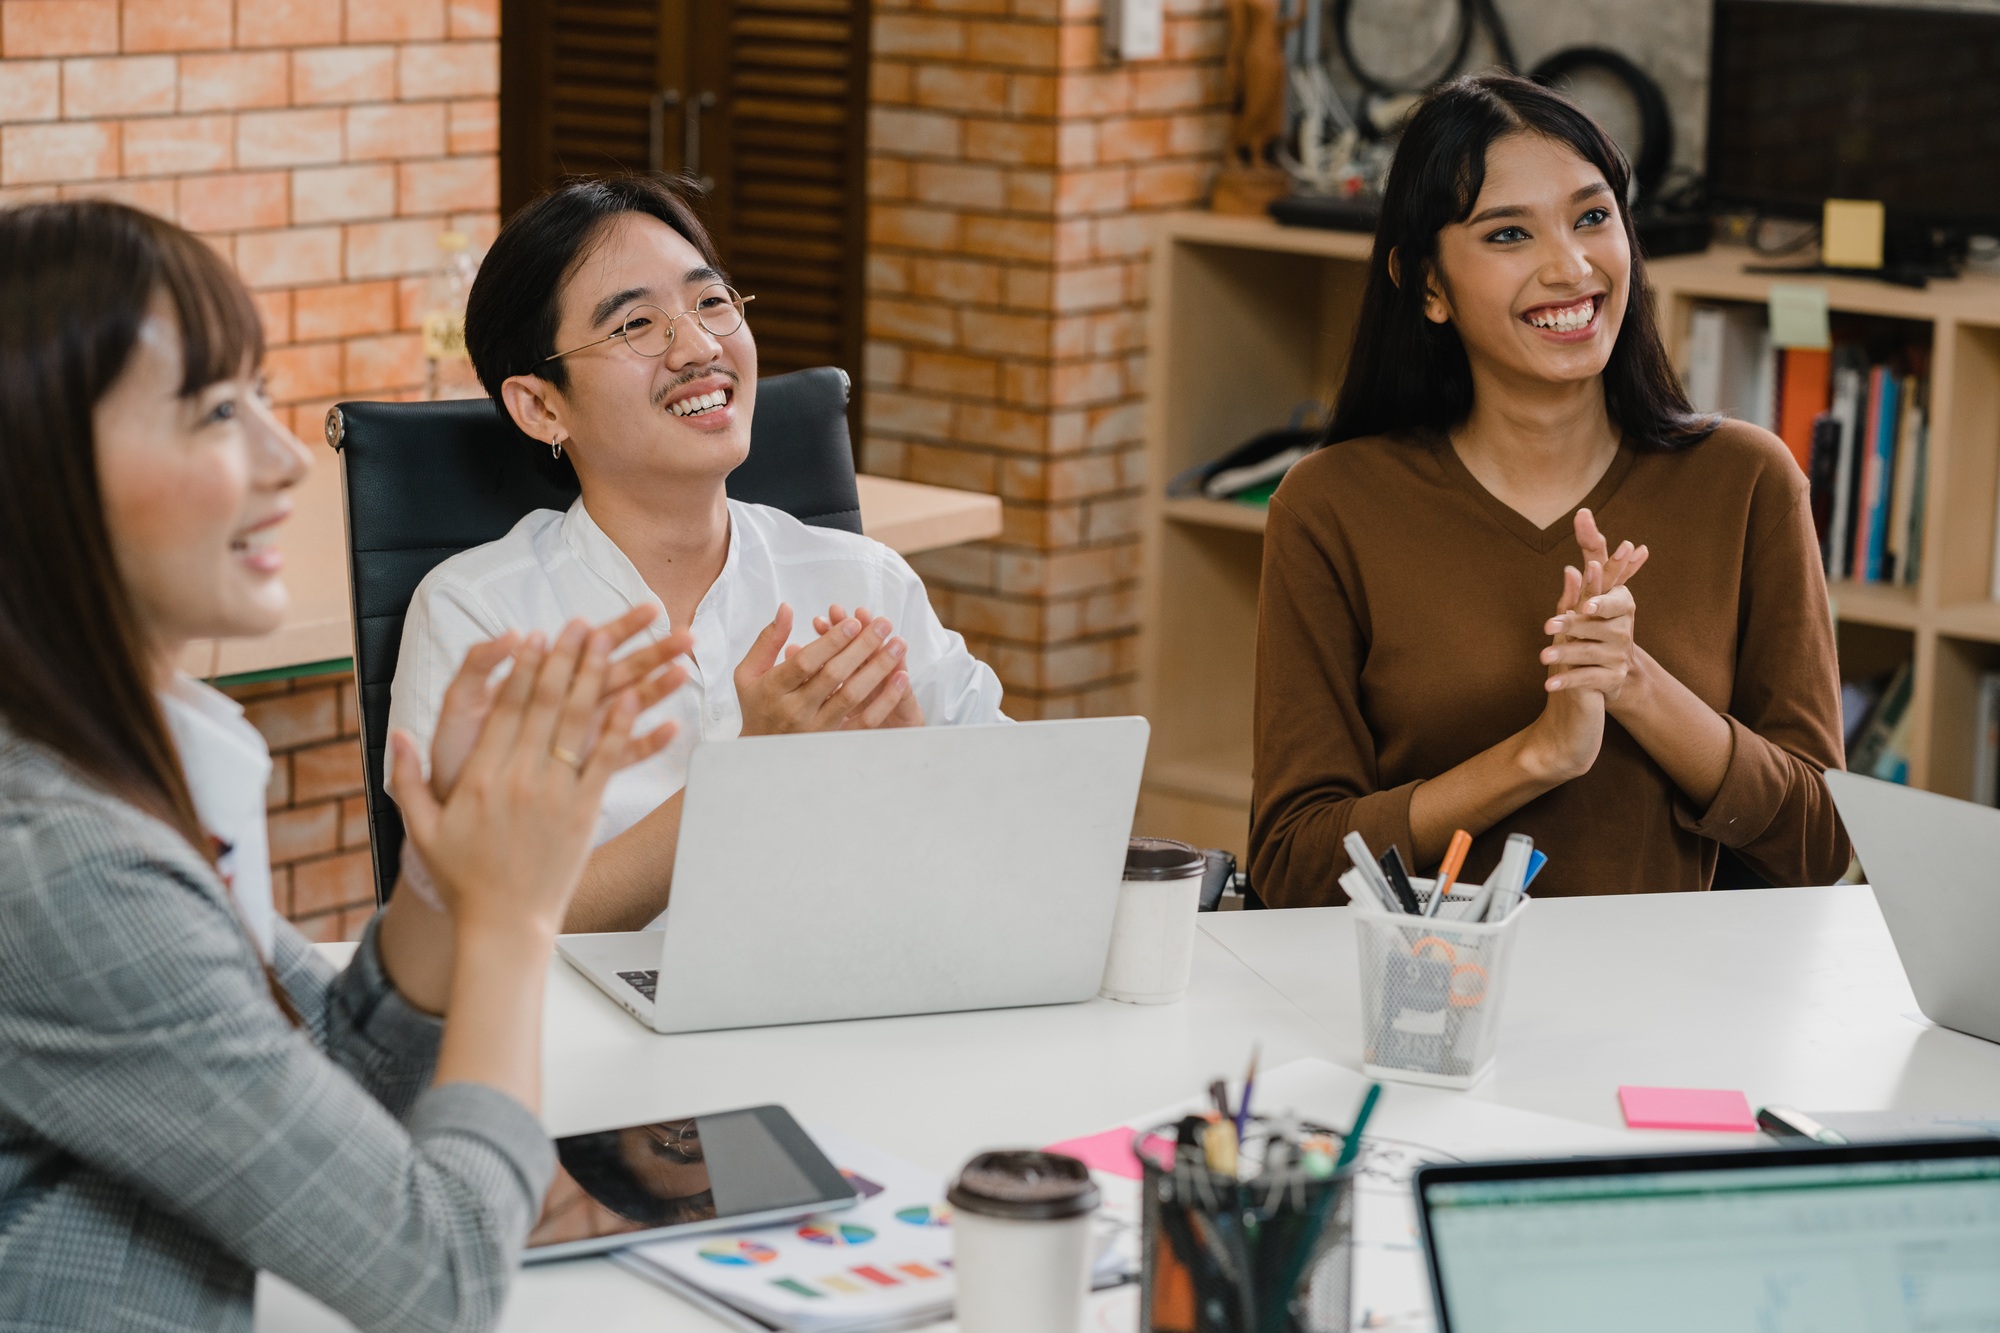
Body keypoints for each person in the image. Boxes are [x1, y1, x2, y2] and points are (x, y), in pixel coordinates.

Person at [0, 200, 693, 1332]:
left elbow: (313, 1063)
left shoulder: (116, 758)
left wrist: (444, 881)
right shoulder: (60, 859)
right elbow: (441, 1276)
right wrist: (513, 917)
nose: (283, 462)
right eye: (215, 412)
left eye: (260, 398)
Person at [1250, 75, 1850, 907]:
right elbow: (1292, 867)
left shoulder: (1747, 480)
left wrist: (1635, 683)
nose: (1571, 268)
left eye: (1593, 216)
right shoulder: (1330, 506)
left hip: (1677, 1015)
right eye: (1507, 234)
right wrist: (1537, 756)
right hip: (1429, 1011)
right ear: (1425, 284)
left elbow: (1822, 845)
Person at [388, 175, 1007, 933]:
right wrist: (749, 777)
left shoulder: (862, 583)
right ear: (541, 404)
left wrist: (911, 773)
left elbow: (1010, 834)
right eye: (635, 325)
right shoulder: (479, 614)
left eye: (711, 302)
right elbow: (468, 920)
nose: (701, 348)